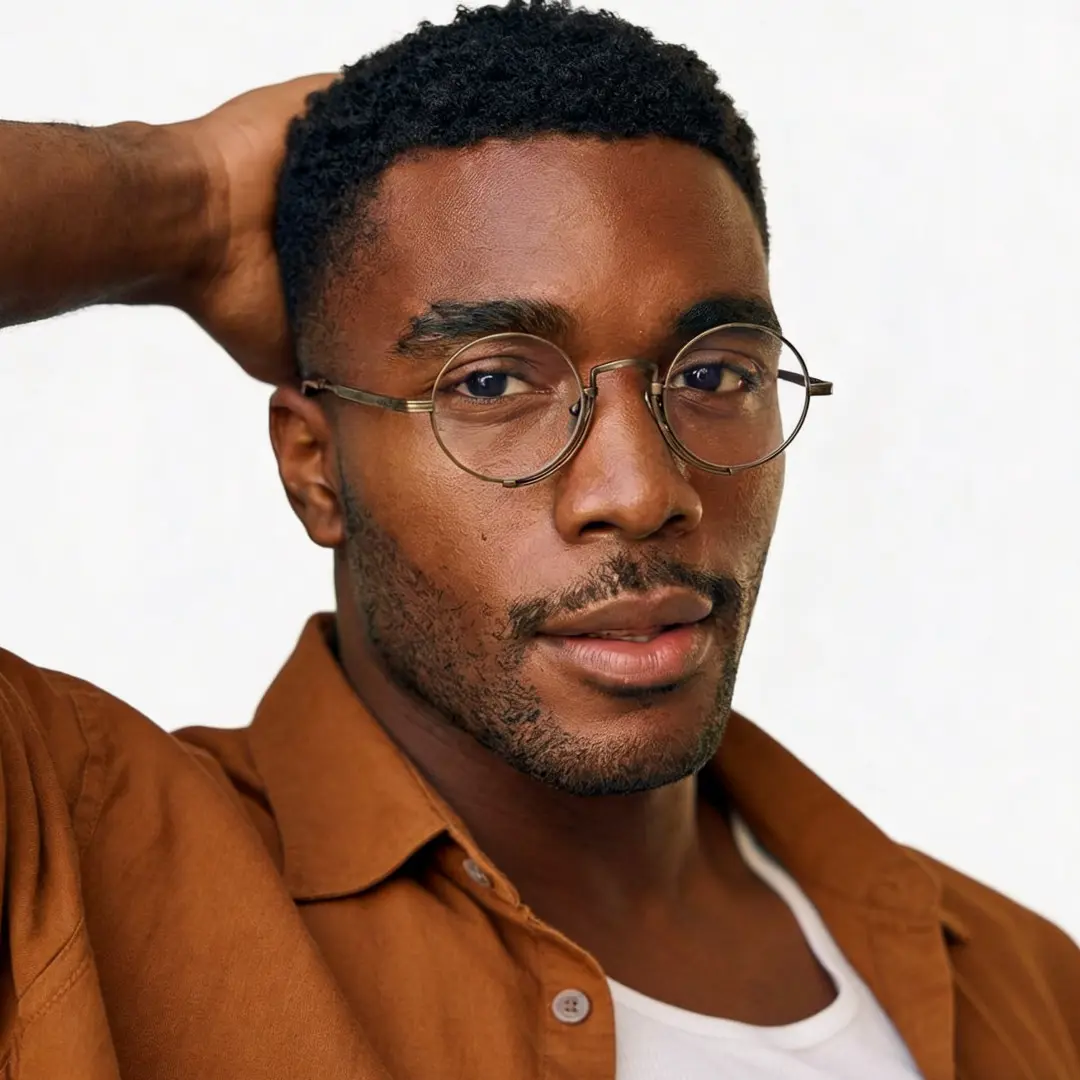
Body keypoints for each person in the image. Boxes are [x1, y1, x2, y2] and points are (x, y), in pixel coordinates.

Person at [0, 2, 1076, 1077]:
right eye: (492, 384)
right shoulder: (80, 861)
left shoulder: (1025, 982)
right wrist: (182, 199)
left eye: (713, 374)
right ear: (314, 466)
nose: (642, 492)